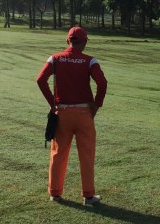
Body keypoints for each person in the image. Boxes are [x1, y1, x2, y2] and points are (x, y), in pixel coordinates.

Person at [36, 26, 108, 205]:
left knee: (58, 154)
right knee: (87, 155)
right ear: (84, 42)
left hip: (62, 113)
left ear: (68, 40)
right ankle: (88, 195)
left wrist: (52, 103)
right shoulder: (90, 61)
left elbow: (40, 79)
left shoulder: (55, 58)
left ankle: (55, 193)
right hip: (84, 113)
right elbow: (102, 83)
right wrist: (96, 105)